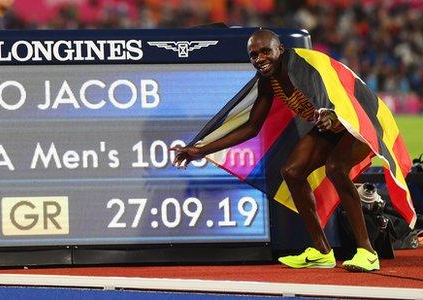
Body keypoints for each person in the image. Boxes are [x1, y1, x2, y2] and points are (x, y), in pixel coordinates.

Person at [171, 29, 414, 272]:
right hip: (330, 124)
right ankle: (321, 252)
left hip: (360, 118)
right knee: (292, 171)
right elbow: (251, 127)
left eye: (265, 51)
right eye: (253, 55)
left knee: (336, 168)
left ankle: (367, 252)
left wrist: (329, 113)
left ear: (281, 50)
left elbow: (329, 92)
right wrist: (200, 150)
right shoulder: (268, 80)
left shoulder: (303, 65)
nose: (259, 59)